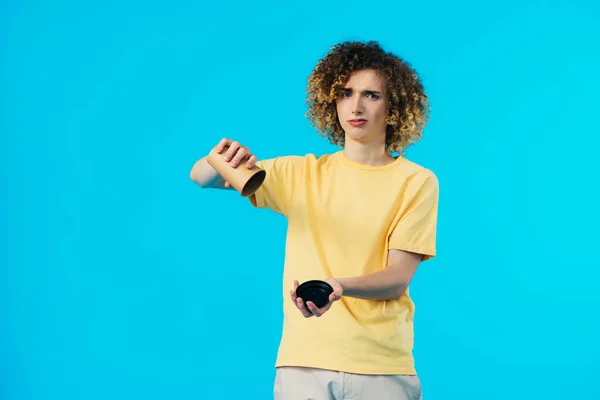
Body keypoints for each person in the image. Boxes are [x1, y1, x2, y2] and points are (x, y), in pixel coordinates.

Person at [190, 40, 438, 400]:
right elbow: (201, 177)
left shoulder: (416, 181)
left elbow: (396, 279)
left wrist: (338, 285)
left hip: (381, 367)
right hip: (304, 364)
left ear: (394, 105)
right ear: (331, 101)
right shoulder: (301, 173)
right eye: (345, 93)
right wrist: (219, 157)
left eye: (371, 95)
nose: (356, 106)